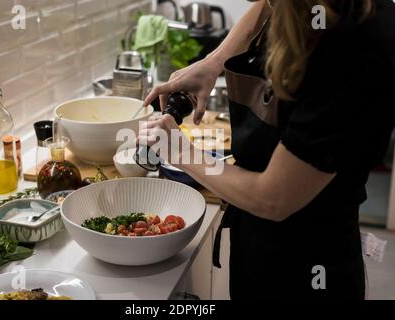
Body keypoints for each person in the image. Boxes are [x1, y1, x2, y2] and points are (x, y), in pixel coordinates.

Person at [140, 0, 395, 299]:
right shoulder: (306, 6)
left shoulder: (353, 46)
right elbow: (267, 5)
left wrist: (182, 154)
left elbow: (274, 197)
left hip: (307, 266)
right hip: (255, 242)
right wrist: (215, 61)